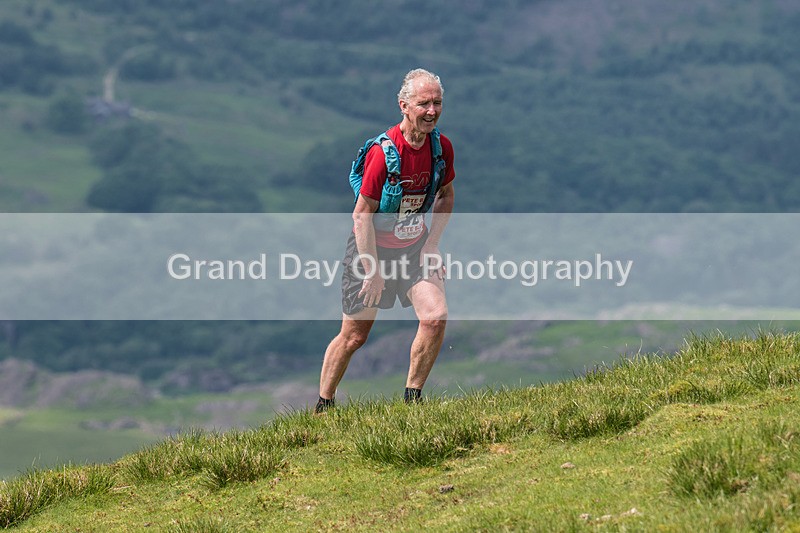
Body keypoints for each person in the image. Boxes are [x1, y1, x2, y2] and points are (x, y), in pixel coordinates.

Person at [315, 68, 456, 413]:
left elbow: (446, 194)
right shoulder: (384, 153)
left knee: (435, 317)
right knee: (354, 336)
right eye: (423, 104)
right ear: (403, 105)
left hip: (414, 248)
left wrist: (432, 245)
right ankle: (324, 405)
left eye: (437, 103)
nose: (432, 111)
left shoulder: (441, 148)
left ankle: (412, 402)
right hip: (371, 251)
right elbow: (361, 215)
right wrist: (372, 269)